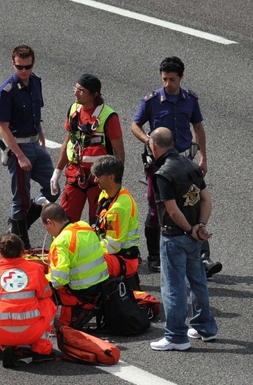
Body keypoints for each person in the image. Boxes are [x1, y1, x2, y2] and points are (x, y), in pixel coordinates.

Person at [131, 56, 221, 277]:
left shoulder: (190, 99)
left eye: (171, 79)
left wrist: (204, 158)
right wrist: (149, 142)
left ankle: (203, 257)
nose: (167, 84)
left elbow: (198, 128)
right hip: (159, 164)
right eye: (164, 79)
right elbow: (135, 124)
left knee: (194, 202)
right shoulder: (152, 100)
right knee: (156, 207)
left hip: (184, 162)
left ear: (181, 77)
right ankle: (154, 256)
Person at [147, 127, 218, 351]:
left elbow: (173, 210)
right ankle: (204, 327)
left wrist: (188, 229)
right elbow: (206, 199)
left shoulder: (163, 173)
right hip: (194, 237)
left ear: (154, 146)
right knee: (198, 282)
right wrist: (200, 227)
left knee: (173, 287)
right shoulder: (191, 165)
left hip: (175, 236)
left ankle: (176, 336)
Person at [0, 45, 58, 250]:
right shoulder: (6, 91)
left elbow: (35, 115)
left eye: (27, 66)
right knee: (20, 199)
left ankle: (17, 226)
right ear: (12, 64)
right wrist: (19, 155)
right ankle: (22, 242)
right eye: (19, 67)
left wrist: (42, 140)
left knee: (53, 189)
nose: (23, 71)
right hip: (19, 147)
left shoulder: (36, 82)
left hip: (35, 144)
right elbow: (3, 127)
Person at [50, 73, 125, 225]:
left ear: (94, 94)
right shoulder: (74, 110)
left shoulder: (108, 116)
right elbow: (68, 141)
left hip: (99, 179)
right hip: (75, 175)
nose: (75, 93)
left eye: (81, 91)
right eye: (75, 89)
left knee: (98, 223)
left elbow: (119, 153)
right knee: (65, 223)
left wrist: (114, 181)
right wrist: (57, 172)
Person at [0, 233, 57, 368]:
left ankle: (8, 345)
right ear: (23, 251)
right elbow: (45, 293)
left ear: (1, 253)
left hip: (0, 333)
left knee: (2, 304)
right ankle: (40, 351)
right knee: (48, 304)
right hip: (31, 332)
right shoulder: (35, 269)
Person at [41, 203, 109, 329]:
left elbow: (59, 279)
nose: (48, 231)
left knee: (42, 290)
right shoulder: (84, 226)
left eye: (46, 227)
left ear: (50, 222)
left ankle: (63, 320)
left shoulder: (60, 242)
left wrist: (39, 281)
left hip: (82, 292)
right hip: (102, 285)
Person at [91, 155, 141, 282]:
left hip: (124, 259)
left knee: (82, 261)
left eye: (98, 177)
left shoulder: (118, 208)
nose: (95, 180)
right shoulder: (107, 194)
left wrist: (87, 247)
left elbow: (112, 247)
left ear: (111, 178)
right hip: (115, 253)